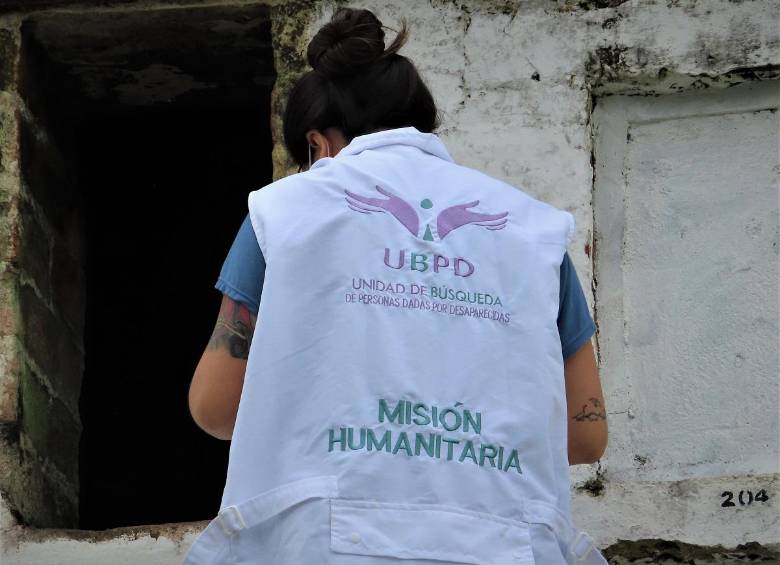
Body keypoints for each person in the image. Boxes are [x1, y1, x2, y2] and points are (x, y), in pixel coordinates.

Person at [185, 7, 608, 565]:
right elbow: (585, 438)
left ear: (317, 144)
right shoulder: (533, 231)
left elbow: (216, 407)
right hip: (506, 546)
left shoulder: (283, 212)